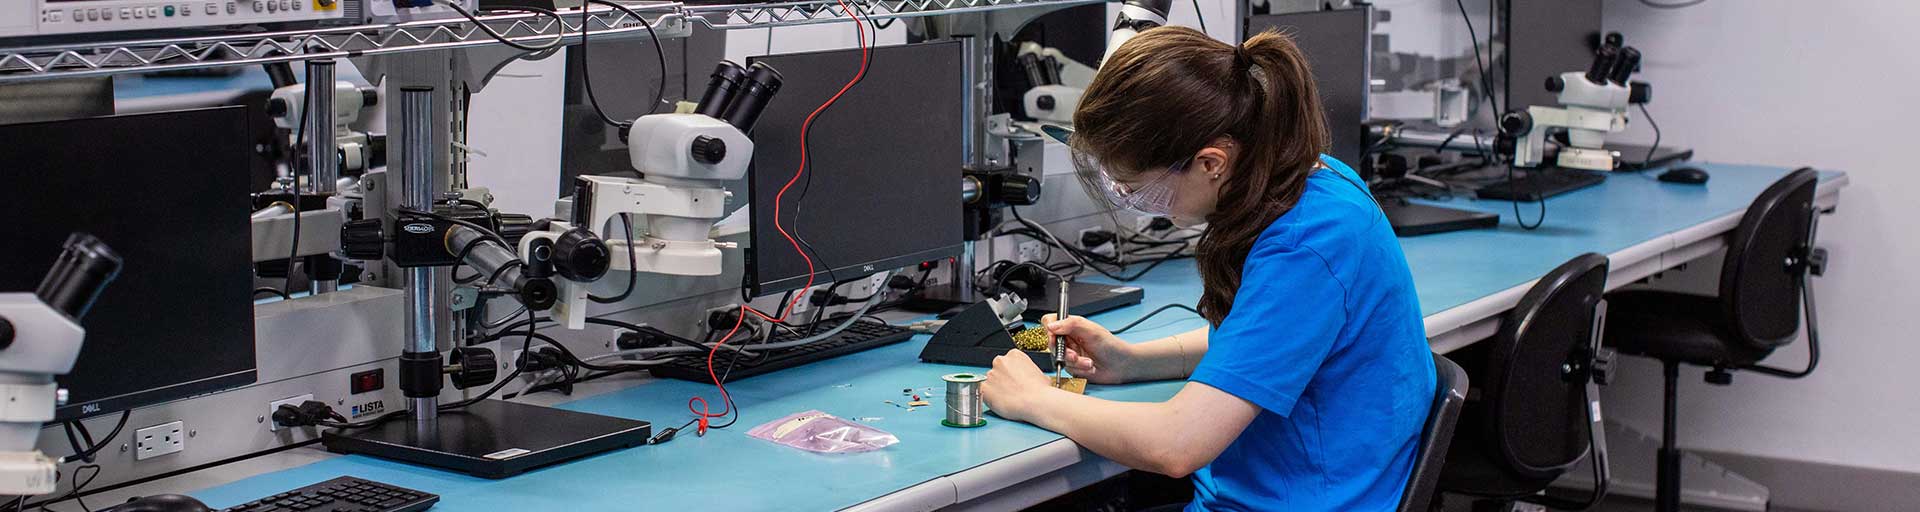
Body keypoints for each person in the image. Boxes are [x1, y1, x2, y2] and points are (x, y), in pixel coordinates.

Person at [979, 27, 1437, 511]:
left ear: (1211, 162)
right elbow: (1263, 338)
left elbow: (1177, 445)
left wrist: (1034, 399)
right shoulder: (1311, 179)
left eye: (1139, 188)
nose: (1136, 203)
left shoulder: (1308, 245)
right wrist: (1131, 362)